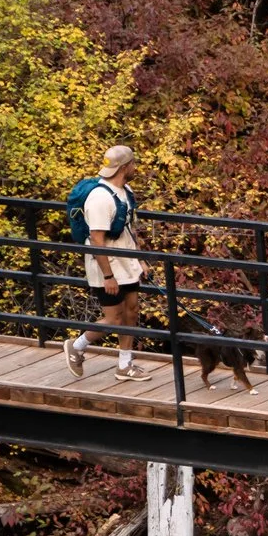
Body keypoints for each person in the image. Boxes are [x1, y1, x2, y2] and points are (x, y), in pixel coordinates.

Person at [64, 145, 150, 383]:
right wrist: (108, 276)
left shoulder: (125, 191)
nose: (135, 167)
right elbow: (97, 240)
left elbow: (131, 229)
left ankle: (124, 364)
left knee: (132, 311)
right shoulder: (100, 199)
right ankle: (77, 346)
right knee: (114, 318)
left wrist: (139, 259)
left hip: (127, 263)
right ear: (125, 167)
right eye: (133, 164)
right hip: (107, 266)